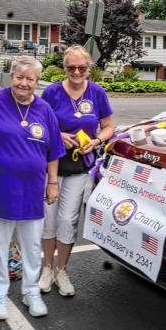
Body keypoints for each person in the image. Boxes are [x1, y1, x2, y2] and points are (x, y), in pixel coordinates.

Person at [0, 56, 65, 320]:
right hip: (0, 188)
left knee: (30, 246)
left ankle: (31, 291)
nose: (24, 83)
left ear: (37, 82)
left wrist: (52, 183)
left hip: (32, 190)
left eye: (30, 79)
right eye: (19, 77)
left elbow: (53, 151)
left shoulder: (44, 109)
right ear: (11, 76)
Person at [39, 45, 114, 296]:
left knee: (68, 220)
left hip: (80, 167)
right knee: (48, 220)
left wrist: (96, 141)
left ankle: (62, 271)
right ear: (64, 68)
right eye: (71, 67)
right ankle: (47, 269)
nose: (76, 72)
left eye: (82, 67)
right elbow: (39, 126)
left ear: (89, 69)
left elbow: (108, 126)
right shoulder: (51, 92)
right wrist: (58, 135)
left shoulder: (97, 93)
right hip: (52, 166)